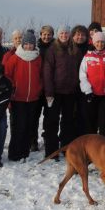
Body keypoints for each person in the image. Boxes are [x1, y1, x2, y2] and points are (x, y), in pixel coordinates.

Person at [3, 29, 43, 161]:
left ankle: (25, 152)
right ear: (22, 44)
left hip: (33, 98)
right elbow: (7, 75)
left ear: (34, 45)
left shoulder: (38, 58)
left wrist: (39, 88)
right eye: (26, 44)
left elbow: (41, 75)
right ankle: (14, 153)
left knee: (29, 126)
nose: (28, 46)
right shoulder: (15, 57)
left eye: (31, 44)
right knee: (18, 127)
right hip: (18, 98)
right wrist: (12, 89)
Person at [42, 26, 79, 157]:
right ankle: (52, 151)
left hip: (70, 92)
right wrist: (49, 92)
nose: (64, 35)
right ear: (58, 35)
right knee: (52, 121)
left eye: (66, 33)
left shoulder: (75, 49)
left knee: (67, 122)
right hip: (55, 92)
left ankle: (66, 148)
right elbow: (47, 72)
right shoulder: (52, 49)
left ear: (70, 35)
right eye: (61, 33)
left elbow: (79, 69)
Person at [79, 31, 105, 136]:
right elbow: (82, 75)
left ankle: (102, 143)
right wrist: (87, 90)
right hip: (91, 94)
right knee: (91, 122)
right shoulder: (88, 56)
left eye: (102, 42)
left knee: (104, 122)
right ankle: (92, 143)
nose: (100, 44)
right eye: (97, 42)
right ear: (94, 43)